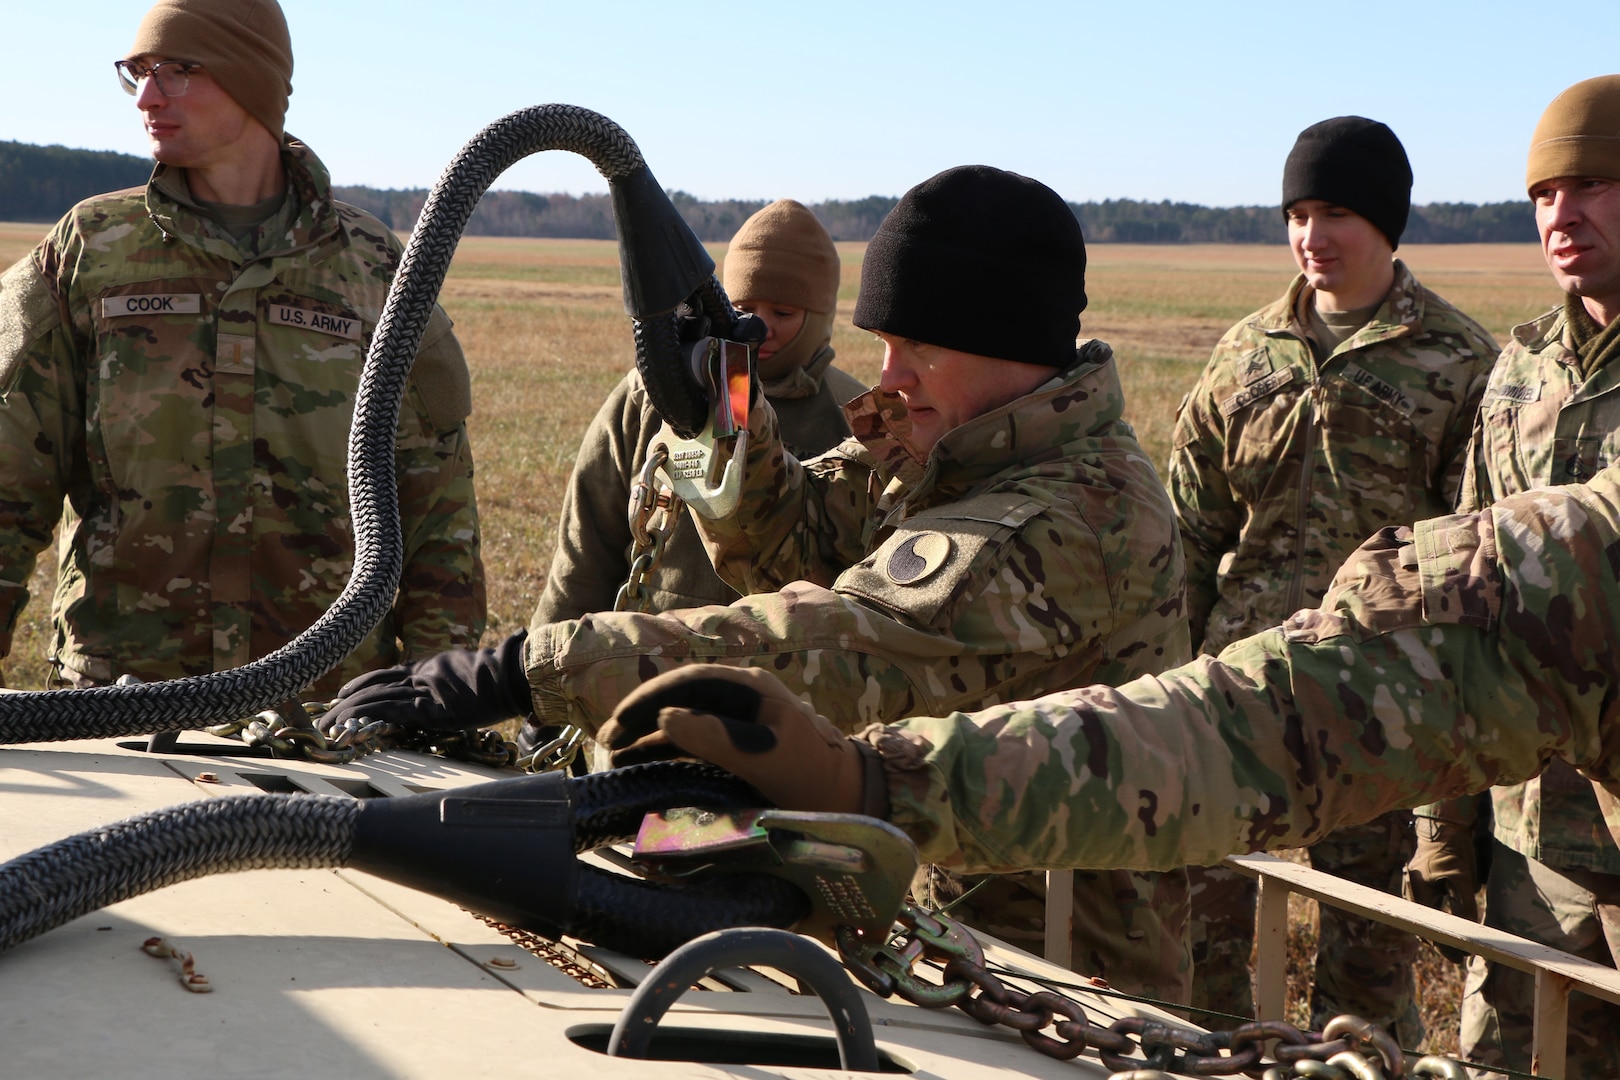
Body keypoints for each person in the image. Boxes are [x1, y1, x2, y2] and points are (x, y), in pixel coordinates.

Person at [324, 165, 1195, 1000]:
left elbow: (836, 648)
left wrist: (525, 671)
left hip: (1070, 965)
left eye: (917, 349)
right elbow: (801, 535)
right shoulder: (958, 443)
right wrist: (722, 411)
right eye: (883, 347)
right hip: (956, 922)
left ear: (1005, 341)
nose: (890, 378)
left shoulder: (1079, 512)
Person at [0, 0, 486, 695]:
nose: (148, 95)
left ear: (253, 80)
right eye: (138, 71)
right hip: (119, 701)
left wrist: (438, 695)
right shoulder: (88, 250)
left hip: (326, 712)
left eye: (180, 69)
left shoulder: (377, 268)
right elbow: (8, 480)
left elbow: (437, 507)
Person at [1168, 117, 1498, 1039]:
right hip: (1240, 695)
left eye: (1338, 212)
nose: (1313, 235)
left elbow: (1473, 571)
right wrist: (1168, 677)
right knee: (1205, 940)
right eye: (1299, 213)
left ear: (1389, 224)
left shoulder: (1460, 363)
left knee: (1366, 956)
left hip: (1380, 707)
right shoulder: (1244, 353)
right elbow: (1189, 533)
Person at [1406, 74, 1620, 1076]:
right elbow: (1462, 606)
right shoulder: (1520, 370)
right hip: (1531, 841)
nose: (1561, 215)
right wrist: (1445, 832)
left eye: (1592, 184)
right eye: (1543, 194)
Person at [531, 199, 864, 624]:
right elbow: (585, 547)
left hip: (782, 675)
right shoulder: (654, 393)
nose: (760, 327)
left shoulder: (854, 416)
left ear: (820, 314)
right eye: (743, 308)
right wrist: (544, 668)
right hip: (644, 659)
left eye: (783, 312)